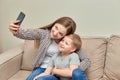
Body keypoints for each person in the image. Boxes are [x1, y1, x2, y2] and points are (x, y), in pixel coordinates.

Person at [9, 17, 91, 80]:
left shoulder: (69, 43)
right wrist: (15, 30)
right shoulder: (44, 34)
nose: (55, 33)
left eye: (60, 33)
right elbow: (26, 34)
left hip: (61, 73)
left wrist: (70, 71)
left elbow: (87, 60)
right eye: (56, 27)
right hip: (43, 68)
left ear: (66, 35)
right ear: (54, 24)